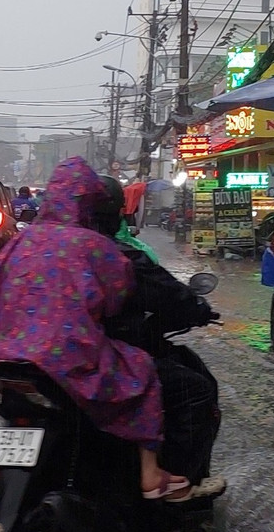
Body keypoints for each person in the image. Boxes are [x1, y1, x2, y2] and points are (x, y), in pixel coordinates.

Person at [0, 156, 190, 501]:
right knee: (141, 372)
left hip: (5, 357)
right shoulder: (95, 246)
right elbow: (117, 299)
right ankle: (151, 474)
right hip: (64, 357)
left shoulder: (20, 241)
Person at [92, 176, 225, 494]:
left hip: (32, 356)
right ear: (117, 213)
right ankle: (179, 483)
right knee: (195, 390)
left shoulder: (39, 250)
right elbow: (166, 293)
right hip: (96, 357)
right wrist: (196, 308)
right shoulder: (115, 256)